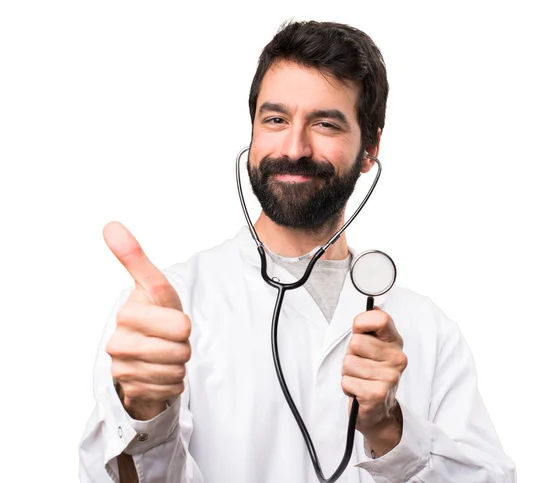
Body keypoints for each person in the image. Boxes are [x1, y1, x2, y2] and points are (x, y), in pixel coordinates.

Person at [79, 20, 516, 483]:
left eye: (325, 123)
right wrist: (146, 415)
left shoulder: (429, 331)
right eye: (275, 119)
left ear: (369, 148)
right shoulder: (165, 310)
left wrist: (391, 430)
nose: (294, 147)